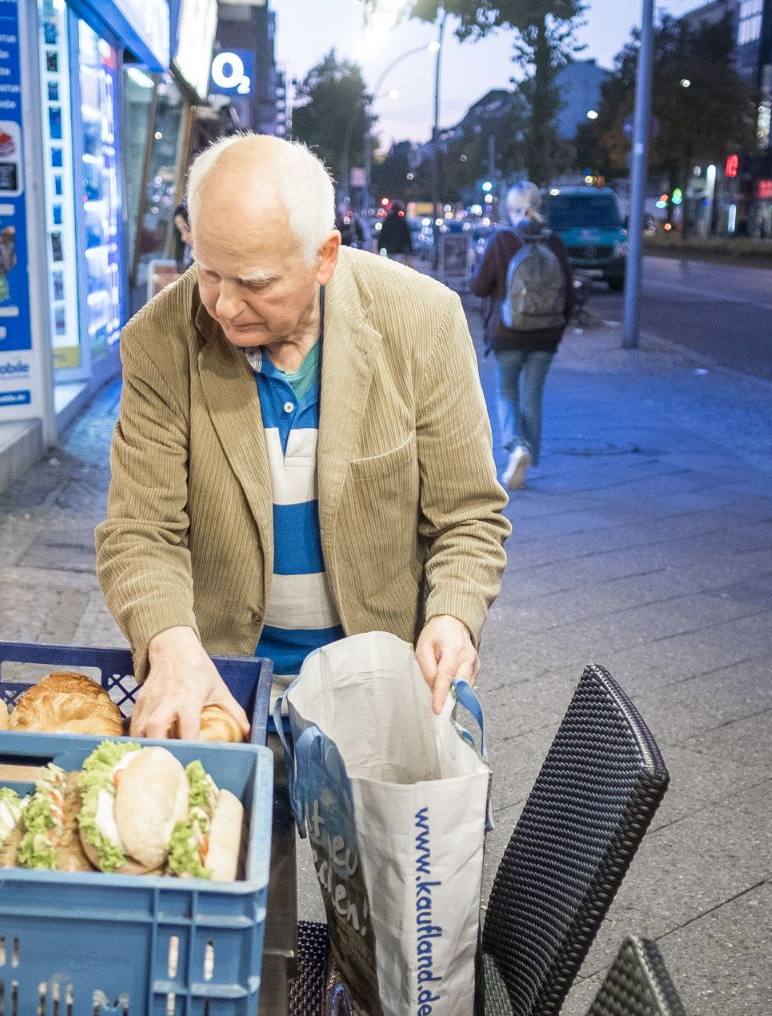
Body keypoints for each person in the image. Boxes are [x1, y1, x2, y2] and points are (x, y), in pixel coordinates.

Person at [95, 133, 510, 738]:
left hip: (385, 684)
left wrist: (452, 616)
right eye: (209, 272)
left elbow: (467, 514)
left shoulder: (423, 320)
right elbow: (140, 531)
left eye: (256, 283)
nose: (227, 307)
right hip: (223, 687)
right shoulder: (158, 341)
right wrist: (170, 641)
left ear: (325, 257)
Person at [468, 180, 574, 492]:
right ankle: (525, 464)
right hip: (546, 334)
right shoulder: (554, 242)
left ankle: (516, 447)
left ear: (510, 208)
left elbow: (477, 286)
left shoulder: (501, 240)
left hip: (508, 332)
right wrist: (558, 328)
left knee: (506, 393)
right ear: (539, 205)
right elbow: (568, 291)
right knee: (532, 397)